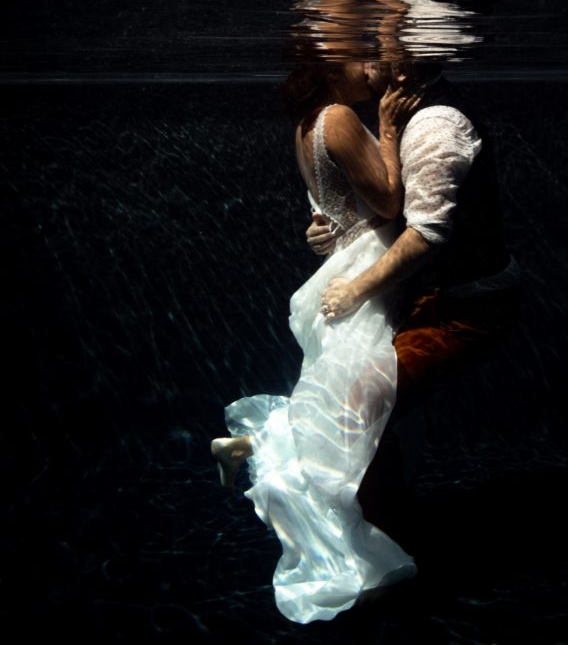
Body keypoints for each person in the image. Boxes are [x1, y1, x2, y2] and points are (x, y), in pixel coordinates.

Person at [210, 62, 420, 624]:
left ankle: (254, 446)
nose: (373, 68)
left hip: (339, 268)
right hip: (365, 268)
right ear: (329, 67)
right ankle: (348, 554)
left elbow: (325, 213)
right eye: (360, 59)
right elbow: (391, 204)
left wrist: (319, 229)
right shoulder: (341, 118)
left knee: (326, 396)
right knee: (345, 418)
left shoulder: (305, 125)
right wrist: (390, 129)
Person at [311, 61, 521, 535]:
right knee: (356, 393)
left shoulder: (434, 122)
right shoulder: (398, 112)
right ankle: (381, 524)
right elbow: (393, 209)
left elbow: (425, 235)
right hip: (430, 296)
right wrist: (334, 231)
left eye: (374, 49)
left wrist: (355, 289)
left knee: (362, 399)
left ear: (405, 56)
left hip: (468, 306)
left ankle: (380, 542)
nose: (363, 65)